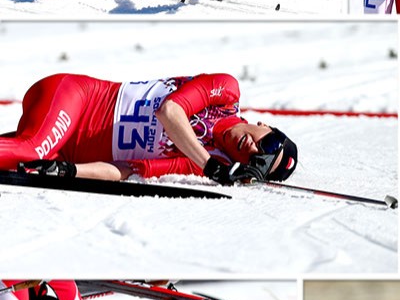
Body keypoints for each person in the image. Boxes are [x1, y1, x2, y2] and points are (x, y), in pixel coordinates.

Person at [0, 73, 298, 187]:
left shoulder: (206, 163)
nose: (256, 149)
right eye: (269, 144)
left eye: (259, 161)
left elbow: (130, 169)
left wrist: (69, 171)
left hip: (65, 148)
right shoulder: (227, 93)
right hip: (77, 98)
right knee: (31, 148)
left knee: (22, 161)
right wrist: (207, 165)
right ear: (265, 126)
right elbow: (170, 111)